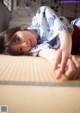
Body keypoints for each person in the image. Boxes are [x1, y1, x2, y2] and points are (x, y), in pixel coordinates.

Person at [0, 6, 80, 80]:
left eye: (18, 39)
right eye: (20, 49)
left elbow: (63, 32)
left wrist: (65, 52)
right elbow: (46, 52)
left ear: (20, 29)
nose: (25, 45)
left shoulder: (42, 14)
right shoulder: (31, 49)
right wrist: (61, 65)